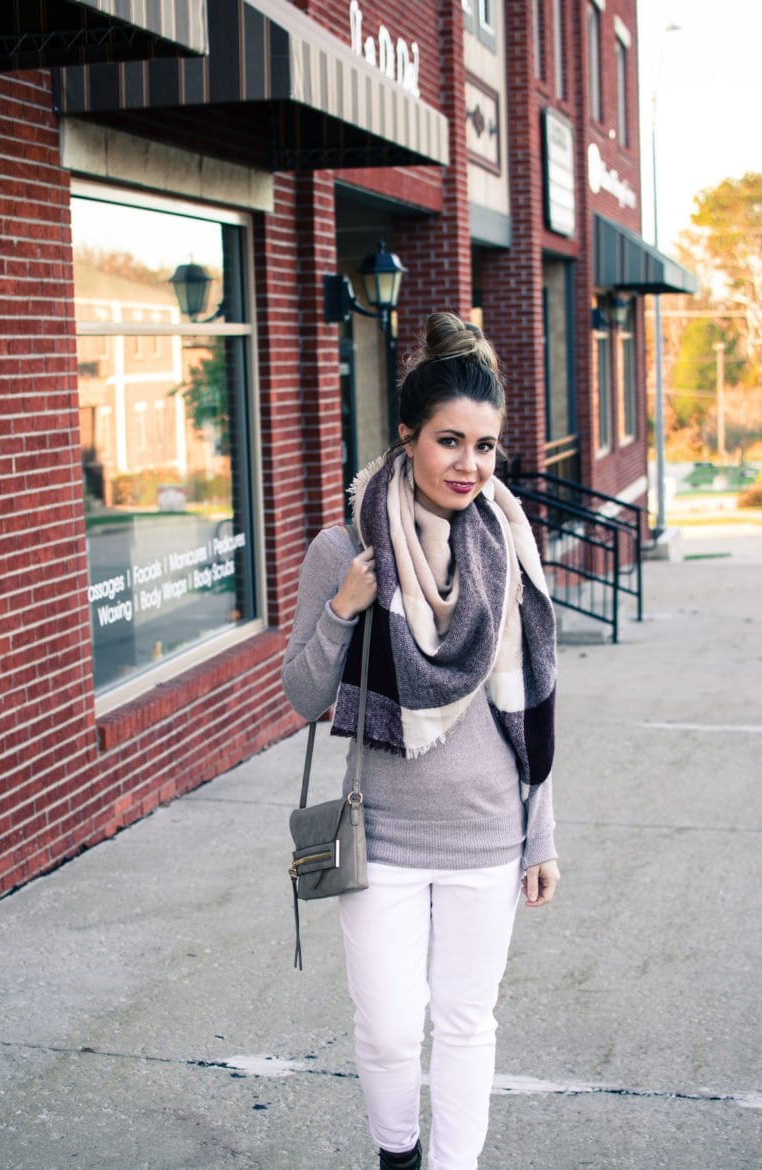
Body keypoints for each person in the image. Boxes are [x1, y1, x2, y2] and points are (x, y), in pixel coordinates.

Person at [282, 312, 560, 1170]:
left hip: (488, 832)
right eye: (450, 441)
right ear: (407, 438)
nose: (469, 465)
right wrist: (342, 611)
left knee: (468, 1022)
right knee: (391, 1027)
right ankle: (395, 1154)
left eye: (484, 447)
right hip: (385, 836)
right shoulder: (345, 547)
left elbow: (538, 704)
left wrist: (540, 832)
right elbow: (301, 694)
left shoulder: (510, 543)